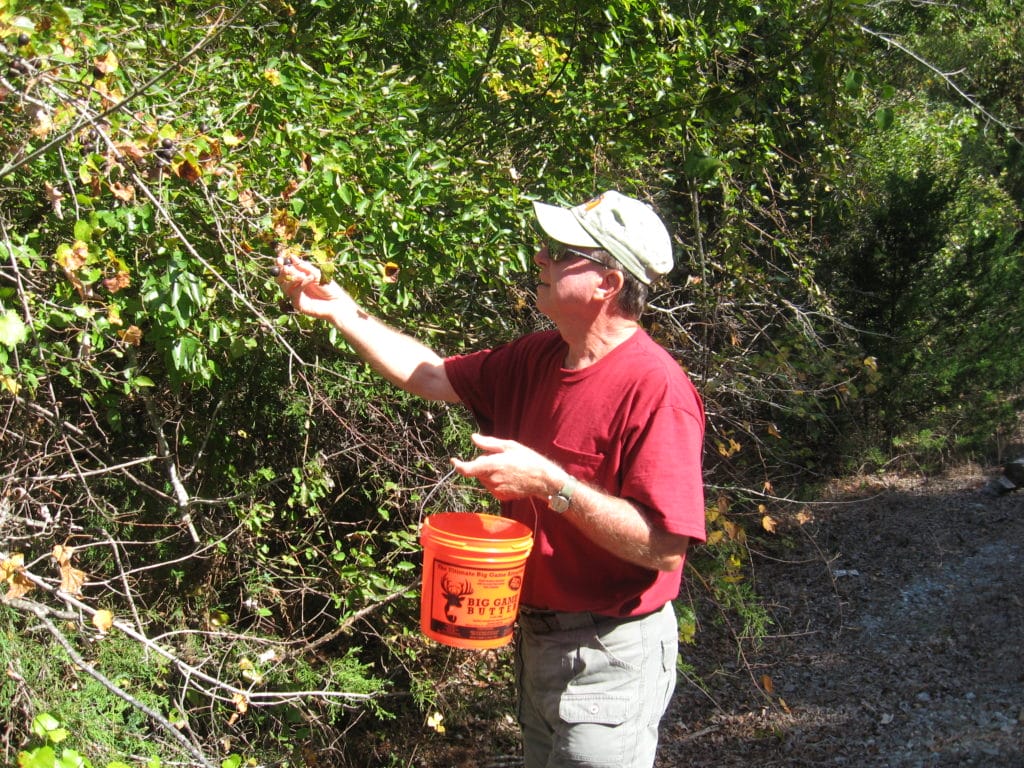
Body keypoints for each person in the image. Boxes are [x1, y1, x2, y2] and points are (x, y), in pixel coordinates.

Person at [275, 190, 706, 768]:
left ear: (608, 283)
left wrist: (552, 485)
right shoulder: (537, 357)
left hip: (612, 653)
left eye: (561, 252)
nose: (541, 258)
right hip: (537, 642)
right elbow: (431, 376)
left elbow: (665, 548)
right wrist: (340, 310)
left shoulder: (656, 390)